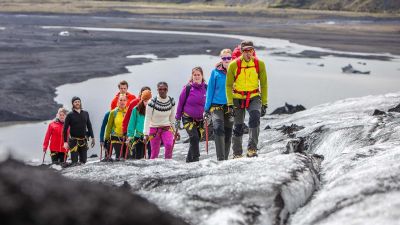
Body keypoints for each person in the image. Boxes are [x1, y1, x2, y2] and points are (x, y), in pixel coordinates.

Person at [226, 40, 268, 158]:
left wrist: (264, 103)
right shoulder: (234, 65)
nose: (248, 53)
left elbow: (264, 84)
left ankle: (252, 149)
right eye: (245, 51)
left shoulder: (260, 64)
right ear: (241, 51)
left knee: (255, 118)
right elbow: (228, 85)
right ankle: (237, 153)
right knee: (238, 126)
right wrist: (230, 104)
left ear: (253, 50)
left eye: (250, 50)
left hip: (254, 96)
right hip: (237, 98)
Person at [204, 49, 234, 161]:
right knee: (218, 128)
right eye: (224, 58)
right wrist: (206, 109)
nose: (226, 60)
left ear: (231, 58)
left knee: (228, 132)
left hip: (230, 106)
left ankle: (225, 158)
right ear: (221, 59)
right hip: (216, 106)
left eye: (228, 58)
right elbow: (210, 91)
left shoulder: (235, 71)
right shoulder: (215, 72)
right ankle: (220, 158)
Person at [175, 67, 207, 163]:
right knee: (194, 137)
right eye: (195, 75)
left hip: (200, 120)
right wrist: (177, 119)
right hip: (187, 118)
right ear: (192, 76)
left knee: (195, 140)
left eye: (198, 75)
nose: (197, 77)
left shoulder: (206, 88)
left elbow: (209, 102)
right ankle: (196, 158)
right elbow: (180, 104)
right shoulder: (187, 88)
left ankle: (189, 161)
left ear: (202, 76)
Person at [143, 82, 177, 159]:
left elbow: (172, 117)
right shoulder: (151, 102)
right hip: (154, 129)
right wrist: (145, 134)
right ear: (157, 90)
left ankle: (168, 165)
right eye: (160, 89)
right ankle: (153, 169)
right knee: (154, 152)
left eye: (164, 89)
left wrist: (175, 131)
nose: (162, 91)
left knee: (169, 145)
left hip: (166, 127)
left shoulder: (171, 101)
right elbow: (147, 118)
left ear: (167, 89)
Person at [63, 97, 95, 164]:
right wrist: (65, 142)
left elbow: (89, 126)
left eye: (78, 101)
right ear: (73, 104)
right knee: (74, 161)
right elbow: (65, 129)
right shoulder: (69, 115)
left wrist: (92, 137)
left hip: (83, 141)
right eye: (75, 102)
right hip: (73, 141)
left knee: (84, 161)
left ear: (80, 103)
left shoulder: (86, 113)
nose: (77, 103)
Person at [127, 90, 152, 159]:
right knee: (138, 157)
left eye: (148, 101)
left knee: (151, 156)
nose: (147, 103)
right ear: (142, 100)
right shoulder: (136, 109)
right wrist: (130, 135)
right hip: (138, 136)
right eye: (145, 101)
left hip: (151, 136)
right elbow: (132, 123)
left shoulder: (153, 109)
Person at [105, 95, 128, 161]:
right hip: (116, 137)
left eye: (124, 100)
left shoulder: (129, 111)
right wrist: (106, 138)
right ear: (117, 102)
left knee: (126, 158)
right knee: (119, 157)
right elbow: (109, 126)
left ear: (126, 102)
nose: (122, 102)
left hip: (126, 137)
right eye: (120, 100)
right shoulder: (113, 112)